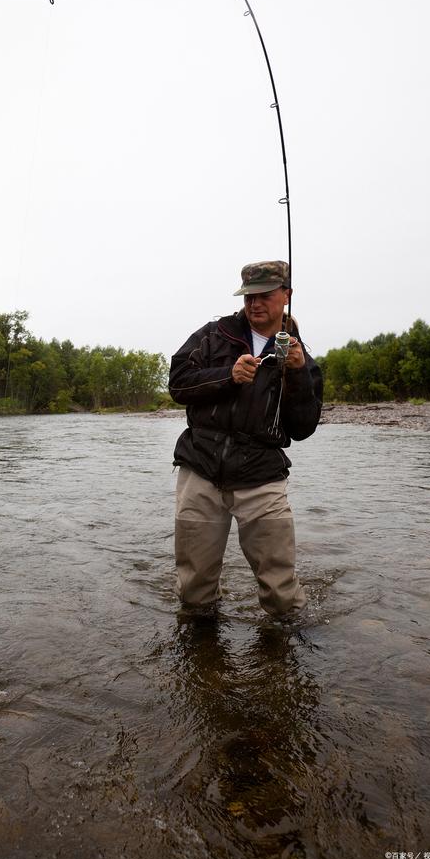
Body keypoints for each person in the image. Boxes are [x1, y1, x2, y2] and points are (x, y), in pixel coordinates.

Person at [168, 260, 322, 619]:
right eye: (249, 296)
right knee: (193, 592)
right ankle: (202, 640)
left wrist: (298, 374)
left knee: (282, 597)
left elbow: (303, 427)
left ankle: (285, 640)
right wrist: (228, 375)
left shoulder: (300, 358)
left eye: (265, 295)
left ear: (286, 295)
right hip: (200, 467)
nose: (255, 303)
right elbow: (178, 384)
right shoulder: (213, 335)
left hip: (262, 475)